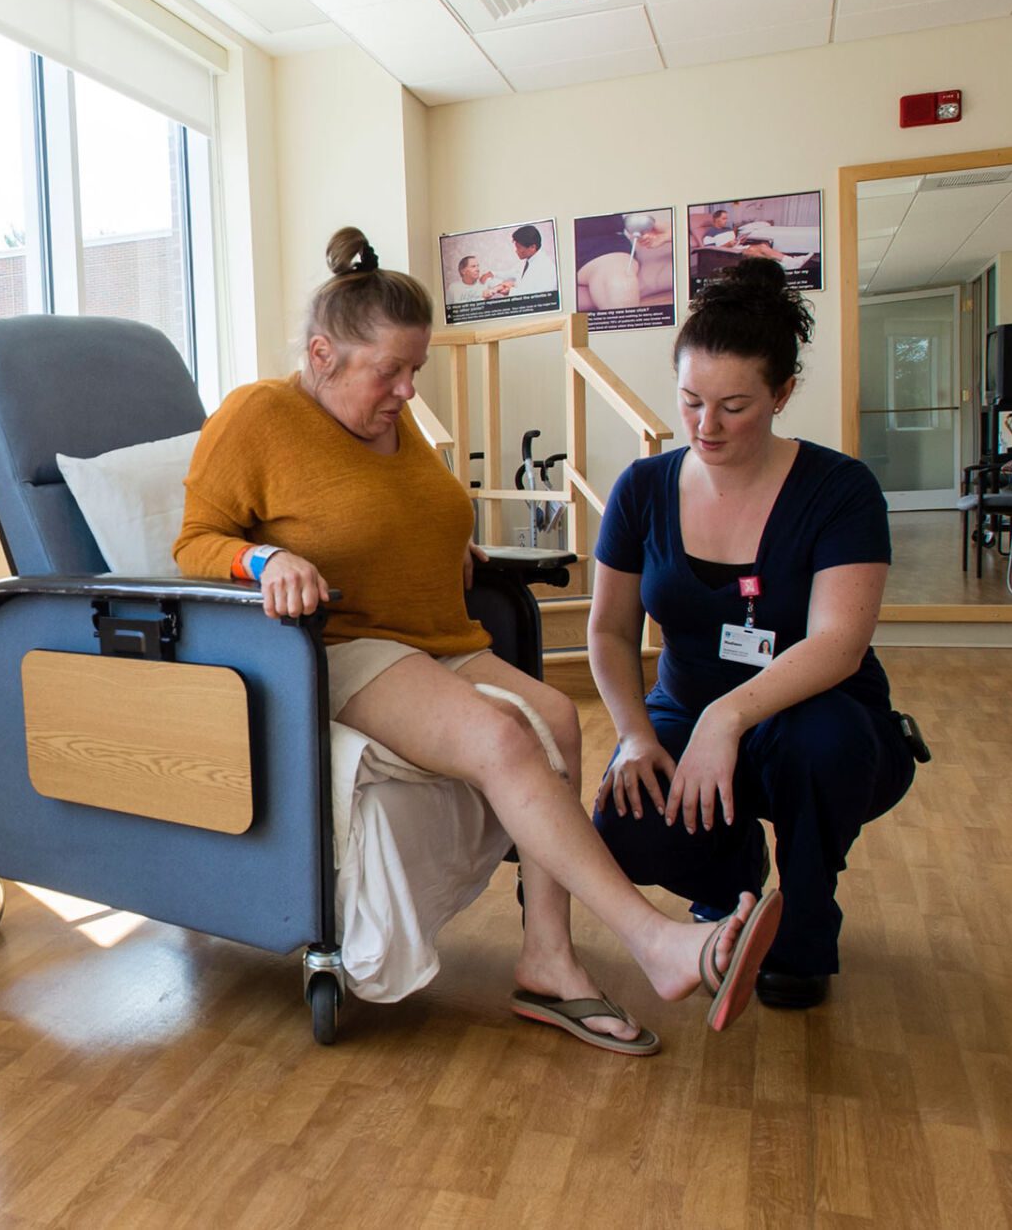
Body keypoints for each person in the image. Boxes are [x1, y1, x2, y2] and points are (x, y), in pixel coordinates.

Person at [176, 227, 782, 1055]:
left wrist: (446, 544)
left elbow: (404, 504)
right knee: (500, 735)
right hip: (346, 639)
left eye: (413, 369)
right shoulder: (260, 415)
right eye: (388, 370)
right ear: (322, 354)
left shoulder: (391, 421)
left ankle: (549, 961)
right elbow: (195, 542)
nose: (404, 389)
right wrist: (265, 555)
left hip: (436, 632)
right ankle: (661, 942)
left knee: (558, 719)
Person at [585, 258, 916, 1011]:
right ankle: (732, 885)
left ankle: (804, 912)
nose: (707, 427)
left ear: (783, 393)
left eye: (734, 406)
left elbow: (839, 644)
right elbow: (607, 630)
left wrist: (726, 717)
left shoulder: (840, 489)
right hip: (686, 711)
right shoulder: (642, 490)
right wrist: (636, 734)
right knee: (625, 821)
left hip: (819, 715)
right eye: (691, 401)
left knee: (819, 744)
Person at [506, 224, 555, 298]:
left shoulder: (547, 268)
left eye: (519, 248)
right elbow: (514, 273)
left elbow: (538, 297)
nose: (516, 251)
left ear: (532, 247)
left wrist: (511, 291)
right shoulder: (529, 260)